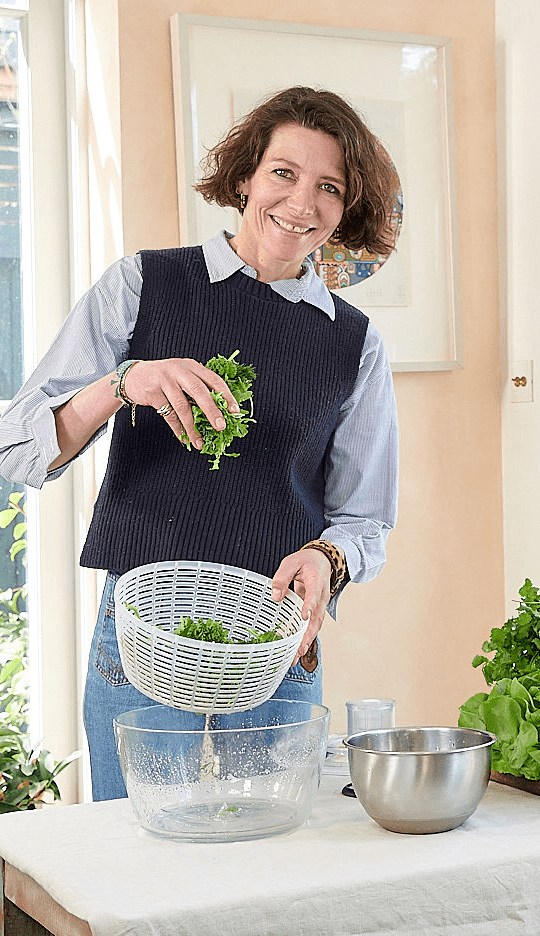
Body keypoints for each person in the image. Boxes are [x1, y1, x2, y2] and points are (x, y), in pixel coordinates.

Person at [0, 86, 399, 800]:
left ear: (346, 209)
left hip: (277, 644)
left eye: (328, 188)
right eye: (283, 173)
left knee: (278, 864)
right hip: (144, 635)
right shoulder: (143, 284)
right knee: (138, 861)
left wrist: (325, 555)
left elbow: (365, 516)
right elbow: (19, 449)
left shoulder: (354, 343)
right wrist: (123, 384)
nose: (301, 204)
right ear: (245, 176)